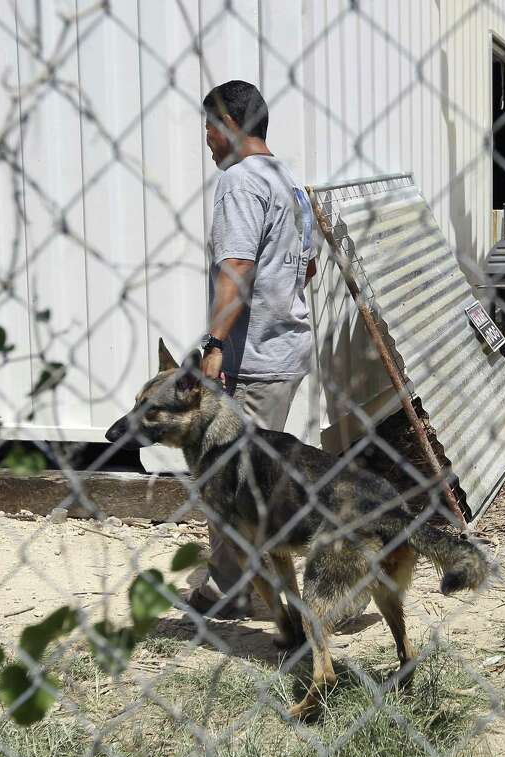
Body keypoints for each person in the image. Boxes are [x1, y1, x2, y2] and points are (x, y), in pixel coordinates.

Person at [187, 80, 316, 618]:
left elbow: (236, 267)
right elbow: (307, 264)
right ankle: (242, 585)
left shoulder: (241, 182)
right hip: (285, 347)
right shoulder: (290, 181)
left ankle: (234, 594)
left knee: (230, 480)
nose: (209, 143)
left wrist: (215, 345)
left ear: (232, 126)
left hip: (252, 357)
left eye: (212, 130)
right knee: (258, 474)